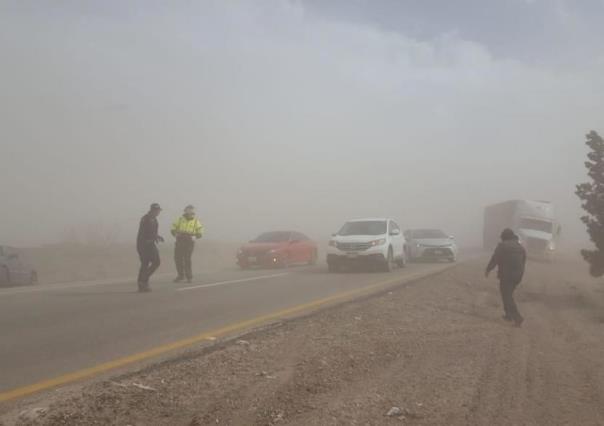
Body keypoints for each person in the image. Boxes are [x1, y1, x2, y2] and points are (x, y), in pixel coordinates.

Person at [485, 228, 527, 326]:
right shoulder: (520, 247)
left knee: (507, 296)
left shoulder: (502, 246)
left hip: (506, 275)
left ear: (504, 237)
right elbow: (523, 262)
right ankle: (508, 315)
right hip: (517, 276)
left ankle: (518, 318)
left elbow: (495, 258)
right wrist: (519, 275)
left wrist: (488, 269)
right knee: (508, 295)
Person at [171, 205, 204, 283]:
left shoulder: (196, 221)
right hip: (180, 240)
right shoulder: (180, 219)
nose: (189, 212)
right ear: (185, 211)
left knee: (187, 259)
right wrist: (175, 234)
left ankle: (189, 277)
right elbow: (173, 228)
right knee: (177, 258)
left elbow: (200, 231)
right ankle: (181, 275)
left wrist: (195, 236)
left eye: (191, 210)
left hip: (189, 241)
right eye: (188, 210)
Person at [136, 203, 164, 292]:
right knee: (148, 263)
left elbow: (153, 232)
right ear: (153, 210)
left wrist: (157, 237)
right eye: (157, 210)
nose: (158, 212)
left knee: (152, 262)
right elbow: (144, 232)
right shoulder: (145, 219)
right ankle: (143, 283)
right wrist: (150, 238)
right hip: (143, 245)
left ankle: (143, 281)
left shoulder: (154, 220)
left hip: (150, 244)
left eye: (159, 211)